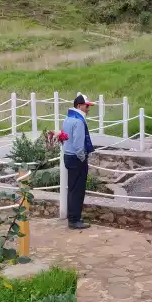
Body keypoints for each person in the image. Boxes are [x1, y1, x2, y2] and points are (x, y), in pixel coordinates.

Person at [61, 94, 95, 230]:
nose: (88, 109)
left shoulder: (67, 119)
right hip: (76, 158)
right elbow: (78, 145)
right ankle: (75, 219)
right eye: (87, 106)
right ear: (79, 106)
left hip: (68, 156)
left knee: (72, 189)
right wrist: (83, 158)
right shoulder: (79, 122)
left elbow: (64, 138)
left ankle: (73, 217)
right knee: (78, 190)